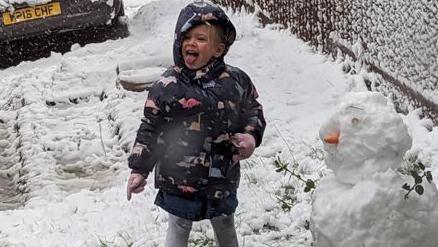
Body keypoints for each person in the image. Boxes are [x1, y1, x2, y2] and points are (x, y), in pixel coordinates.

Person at [126, 1, 265, 246]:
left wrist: (251, 136)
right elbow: (150, 129)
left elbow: (252, 110)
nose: (191, 43)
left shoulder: (236, 81)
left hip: (222, 174)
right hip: (178, 177)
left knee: (224, 221)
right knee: (178, 225)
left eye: (201, 38)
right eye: (186, 36)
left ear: (219, 48)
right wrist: (139, 168)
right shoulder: (167, 86)